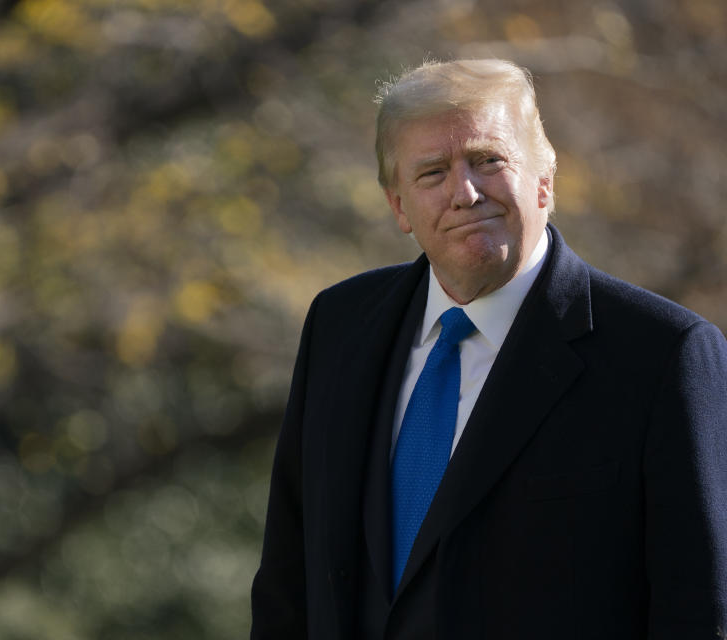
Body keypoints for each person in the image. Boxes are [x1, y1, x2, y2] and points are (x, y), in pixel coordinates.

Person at [250, 58, 727, 639]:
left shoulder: (663, 356)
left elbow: (698, 612)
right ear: (398, 205)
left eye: (488, 160)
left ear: (545, 180)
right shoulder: (339, 325)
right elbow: (287, 583)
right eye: (431, 173)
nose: (465, 192)